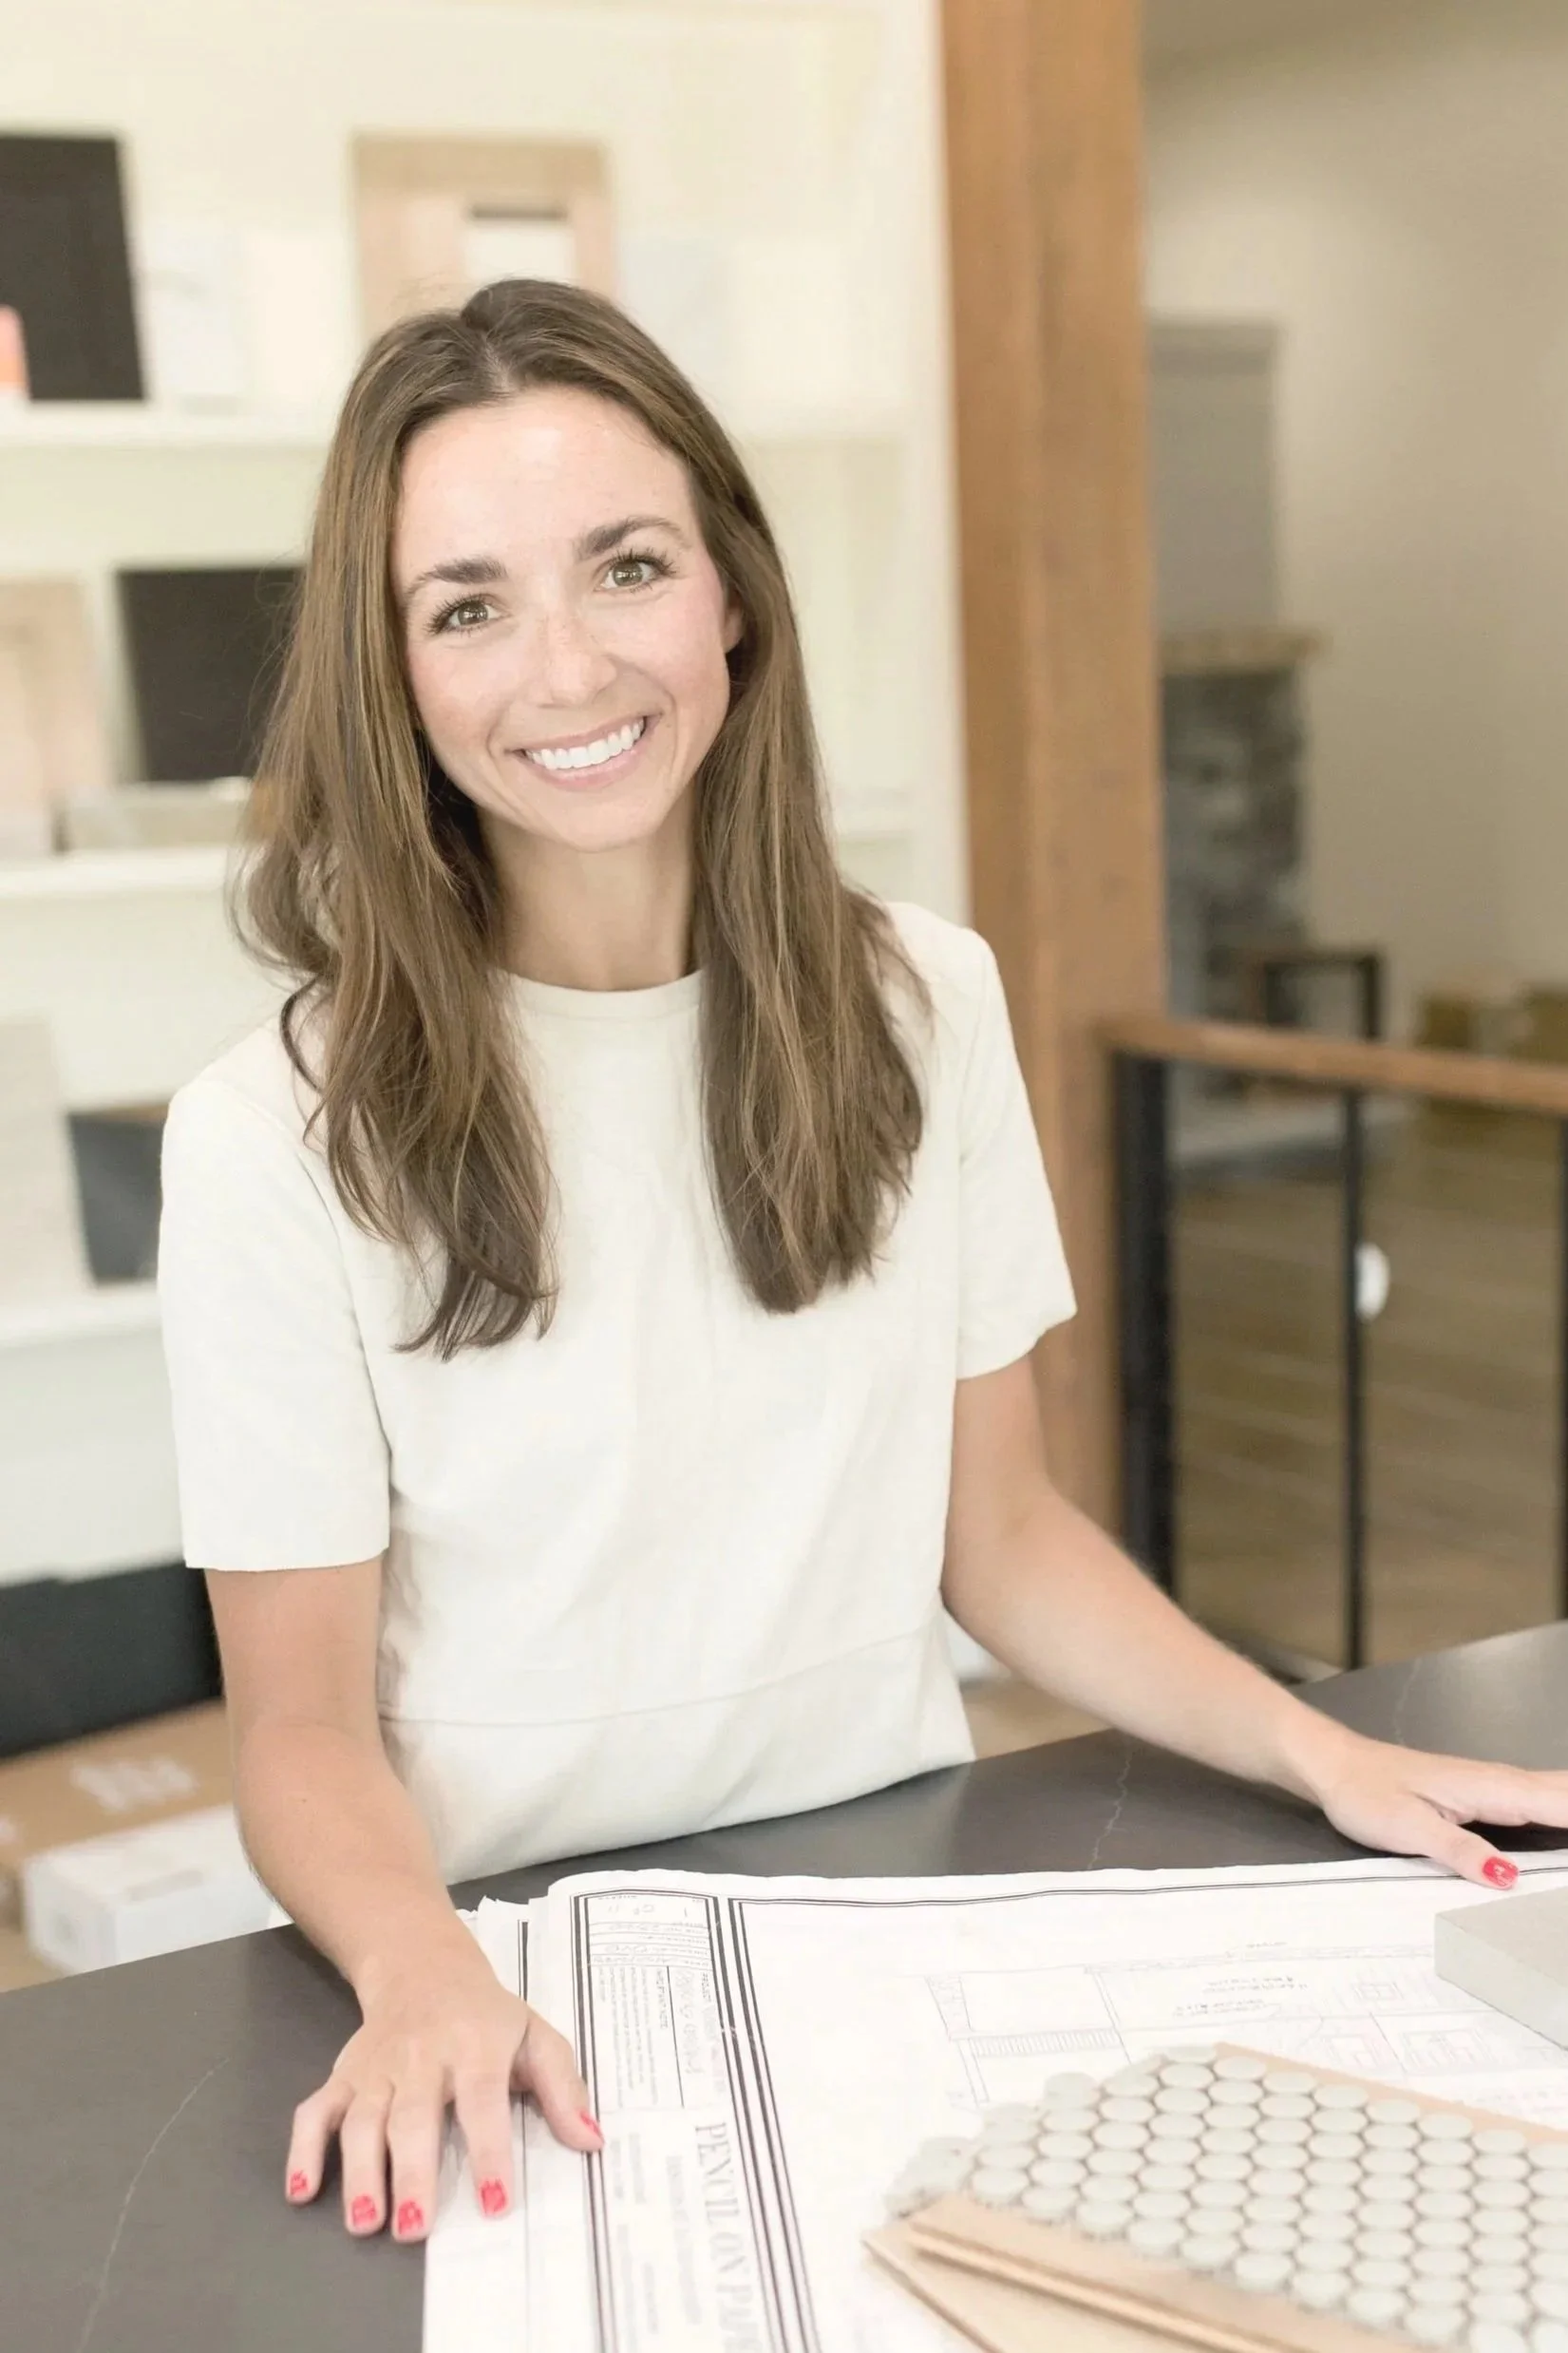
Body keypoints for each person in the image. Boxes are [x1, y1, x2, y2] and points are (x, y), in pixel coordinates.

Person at [158, 279, 1568, 2251]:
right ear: (392, 674)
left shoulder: (924, 1000)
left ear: (731, 594)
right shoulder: (268, 1131)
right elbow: (297, 1719)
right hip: (496, 1959)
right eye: (467, 604)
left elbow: (997, 1531)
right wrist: (419, 1973)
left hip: (885, 1901)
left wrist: (1315, 1739)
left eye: (625, 568)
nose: (563, 668)